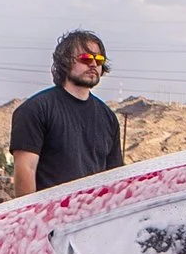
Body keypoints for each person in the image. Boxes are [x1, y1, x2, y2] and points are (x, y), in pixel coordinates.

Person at [9, 30, 125, 197]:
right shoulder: (36, 109)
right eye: (86, 58)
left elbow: (113, 178)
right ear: (64, 62)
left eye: (99, 60)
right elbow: (26, 169)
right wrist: (31, 220)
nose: (93, 64)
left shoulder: (108, 118)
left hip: (93, 219)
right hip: (49, 218)